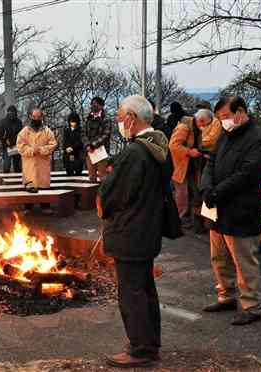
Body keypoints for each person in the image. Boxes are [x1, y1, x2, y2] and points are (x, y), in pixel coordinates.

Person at [98, 95, 168, 368]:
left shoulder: (135, 152)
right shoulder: (159, 146)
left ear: (132, 118)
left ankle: (140, 349)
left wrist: (103, 197)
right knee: (145, 288)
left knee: (131, 292)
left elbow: (114, 194)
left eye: (119, 115)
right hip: (148, 228)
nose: (117, 120)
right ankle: (149, 343)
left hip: (129, 231)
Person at [201, 96, 261, 326]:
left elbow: (247, 174)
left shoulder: (259, 138)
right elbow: (210, 162)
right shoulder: (226, 135)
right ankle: (226, 295)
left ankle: (251, 305)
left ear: (240, 112)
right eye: (220, 118)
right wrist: (207, 188)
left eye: (226, 117)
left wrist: (217, 191)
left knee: (243, 260)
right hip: (217, 208)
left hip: (241, 208)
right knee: (218, 256)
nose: (223, 122)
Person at [16, 108, 57, 215]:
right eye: (34, 117)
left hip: (43, 163)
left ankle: (45, 207)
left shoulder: (47, 131)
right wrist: (31, 151)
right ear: (31, 117)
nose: (36, 119)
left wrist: (42, 150)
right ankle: (28, 207)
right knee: (30, 184)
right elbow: (20, 145)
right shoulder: (25, 131)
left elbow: (53, 144)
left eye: (38, 117)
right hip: (29, 163)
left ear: (41, 117)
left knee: (44, 185)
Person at [169, 114, 202, 228]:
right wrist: (189, 152)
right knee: (182, 194)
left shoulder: (193, 127)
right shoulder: (184, 128)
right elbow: (173, 146)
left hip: (189, 166)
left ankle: (185, 218)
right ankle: (179, 218)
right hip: (181, 166)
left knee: (189, 193)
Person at [82, 96, 111, 182]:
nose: (92, 106)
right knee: (91, 177)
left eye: (95, 104)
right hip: (89, 152)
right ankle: (91, 195)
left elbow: (106, 135)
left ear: (101, 106)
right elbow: (83, 133)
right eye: (92, 104)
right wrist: (87, 145)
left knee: (103, 177)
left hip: (101, 152)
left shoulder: (106, 119)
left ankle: (104, 195)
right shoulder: (87, 118)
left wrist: (93, 145)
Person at [0, 105, 23, 173]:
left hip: (17, 146)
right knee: (6, 166)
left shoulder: (19, 122)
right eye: (10, 112)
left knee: (17, 167)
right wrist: (5, 143)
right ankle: (6, 181)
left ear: (15, 113)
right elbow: (0, 134)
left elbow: (21, 134)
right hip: (6, 147)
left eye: (13, 112)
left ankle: (17, 182)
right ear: (7, 112)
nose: (11, 113)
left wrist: (15, 142)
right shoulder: (3, 122)